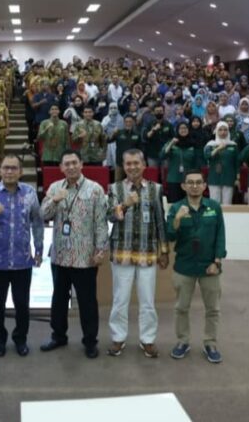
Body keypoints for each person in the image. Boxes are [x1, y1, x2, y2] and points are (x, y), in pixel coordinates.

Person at [0, 154, 44, 357]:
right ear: (0, 171)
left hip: (22, 261)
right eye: (6, 168)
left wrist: (38, 250)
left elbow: (37, 222)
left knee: (22, 305)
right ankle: (0, 341)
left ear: (20, 171)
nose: (10, 171)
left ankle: (20, 339)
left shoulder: (30, 193)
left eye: (14, 168)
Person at [39, 150, 109, 359]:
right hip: (60, 255)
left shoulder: (95, 190)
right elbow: (43, 214)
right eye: (66, 164)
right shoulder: (54, 188)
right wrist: (55, 201)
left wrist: (100, 249)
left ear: (81, 164)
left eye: (74, 163)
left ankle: (90, 341)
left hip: (85, 257)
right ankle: (58, 336)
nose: (70, 167)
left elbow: (100, 222)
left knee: (87, 301)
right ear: (61, 167)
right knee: (59, 299)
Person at [106, 149, 169, 358]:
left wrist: (164, 250)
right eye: (128, 163)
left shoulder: (156, 189)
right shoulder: (114, 188)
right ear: (123, 166)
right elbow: (109, 217)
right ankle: (118, 338)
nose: (132, 167)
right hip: (121, 252)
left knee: (148, 301)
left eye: (136, 163)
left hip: (147, 252)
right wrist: (125, 204)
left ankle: (148, 340)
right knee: (120, 300)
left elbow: (161, 221)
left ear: (144, 165)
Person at [166, 169, 226, 364]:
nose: (194, 185)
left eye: (198, 182)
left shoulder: (214, 207)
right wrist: (177, 220)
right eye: (190, 182)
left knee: (213, 309)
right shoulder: (176, 208)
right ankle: (183, 341)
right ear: (183, 186)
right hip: (184, 266)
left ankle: (210, 343)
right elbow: (170, 236)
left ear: (204, 186)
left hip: (210, 267)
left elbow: (220, 236)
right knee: (182, 308)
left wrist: (217, 262)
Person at [160, 121, 197, 203]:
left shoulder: (193, 144)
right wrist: (171, 144)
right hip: (174, 179)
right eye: (181, 128)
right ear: (177, 130)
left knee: (190, 203)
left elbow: (197, 162)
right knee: (174, 204)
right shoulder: (171, 142)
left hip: (189, 180)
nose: (183, 130)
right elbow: (162, 155)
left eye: (185, 128)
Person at [203, 122, 239, 205]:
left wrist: (237, 178)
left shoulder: (233, 145)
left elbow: (237, 163)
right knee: (214, 203)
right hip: (214, 178)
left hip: (229, 178)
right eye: (220, 130)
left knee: (227, 203)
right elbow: (207, 156)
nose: (223, 132)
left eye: (225, 130)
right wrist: (218, 148)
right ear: (216, 131)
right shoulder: (211, 144)